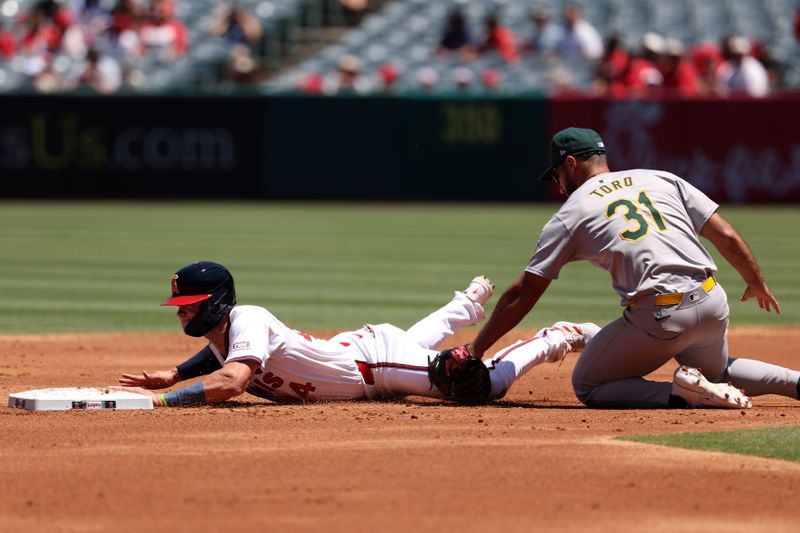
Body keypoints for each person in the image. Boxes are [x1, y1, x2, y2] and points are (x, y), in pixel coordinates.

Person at [469, 127, 800, 409]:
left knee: (588, 384)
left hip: (662, 316)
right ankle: (795, 383)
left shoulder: (572, 212)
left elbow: (523, 293)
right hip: (713, 301)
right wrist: (755, 282)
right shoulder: (660, 178)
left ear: (570, 164)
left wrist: (476, 349)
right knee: (719, 375)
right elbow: (725, 234)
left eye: (557, 173)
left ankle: (683, 395)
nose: (557, 184)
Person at [114, 261, 598, 407]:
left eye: (189, 306)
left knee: (474, 385)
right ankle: (465, 305)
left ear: (216, 302)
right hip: (357, 352)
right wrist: (172, 373)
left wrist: (164, 399)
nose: (181, 315)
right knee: (413, 348)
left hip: (374, 365)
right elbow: (219, 358)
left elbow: (233, 381)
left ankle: (556, 335)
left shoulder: (248, 319)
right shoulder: (226, 335)